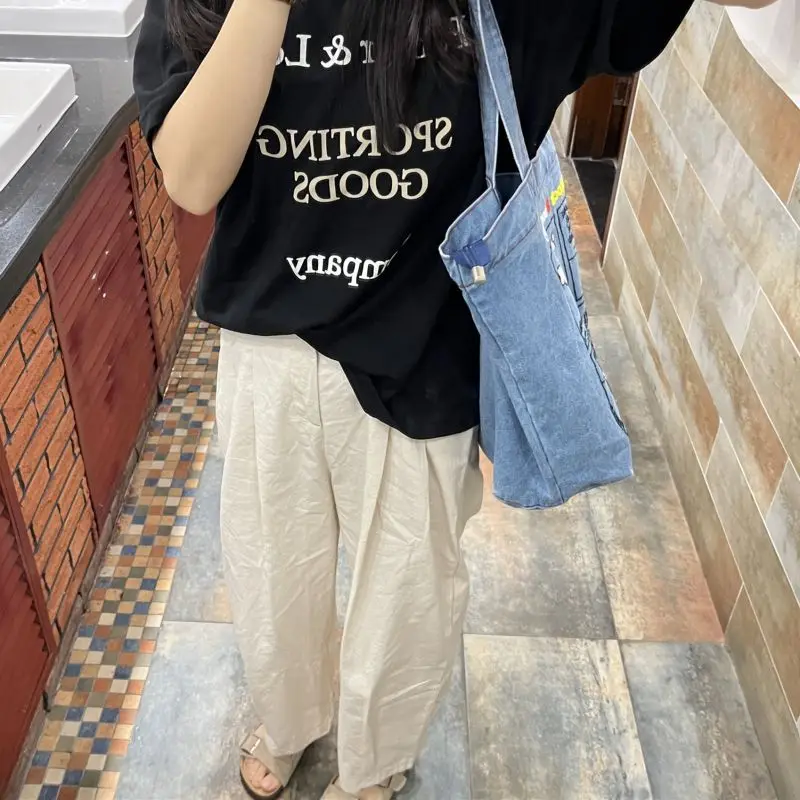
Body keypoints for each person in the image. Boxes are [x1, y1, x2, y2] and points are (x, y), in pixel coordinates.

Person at [132, 0, 777, 796]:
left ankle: (375, 764)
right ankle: (291, 717)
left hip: (421, 354)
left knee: (408, 597)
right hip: (271, 344)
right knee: (273, 579)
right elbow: (193, 178)